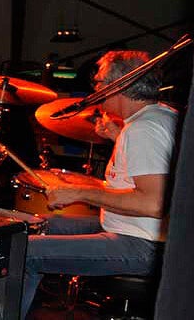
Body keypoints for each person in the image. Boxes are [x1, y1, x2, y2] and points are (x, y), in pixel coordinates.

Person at [20, 50, 177, 318]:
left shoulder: (143, 130)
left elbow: (154, 203)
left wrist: (81, 193)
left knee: (22, 253)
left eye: (100, 81)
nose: (95, 89)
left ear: (120, 85)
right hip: (132, 229)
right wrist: (117, 136)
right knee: (37, 225)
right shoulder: (160, 115)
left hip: (141, 243)